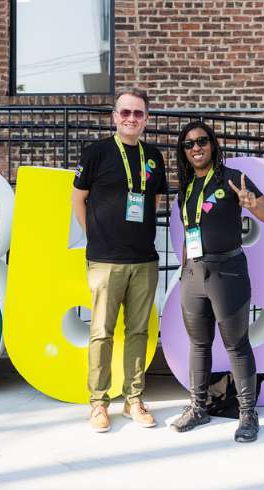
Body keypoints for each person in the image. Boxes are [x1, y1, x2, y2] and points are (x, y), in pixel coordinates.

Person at [167, 121, 264, 442]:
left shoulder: (232, 179)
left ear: (213, 145)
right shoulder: (187, 187)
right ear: (184, 152)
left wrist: (252, 203)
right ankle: (198, 408)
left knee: (236, 344)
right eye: (189, 144)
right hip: (194, 274)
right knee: (198, 344)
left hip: (227, 273)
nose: (196, 148)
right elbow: (190, 232)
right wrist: (186, 270)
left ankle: (247, 414)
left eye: (202, 141)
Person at [71, 87, 168, 433]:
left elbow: (154, 200)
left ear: (146, 119)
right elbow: (78, 199)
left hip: (143, 259)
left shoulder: (153, 156)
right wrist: (95, 236)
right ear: (115, 117)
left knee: (138, 331)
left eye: (138, 113)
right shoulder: (96, 152)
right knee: (101, 331)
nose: (131, 118)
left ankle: (134, 399)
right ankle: (99, 402)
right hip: (105, 259)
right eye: (125, 112)